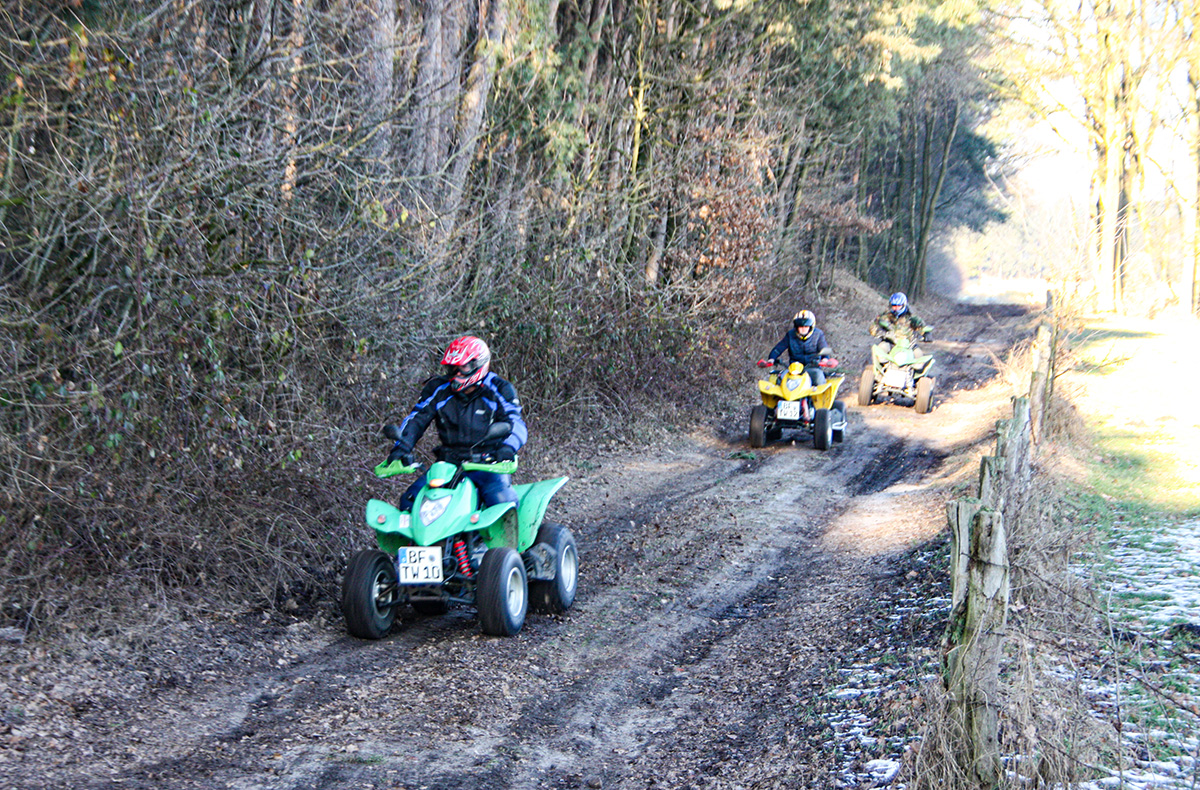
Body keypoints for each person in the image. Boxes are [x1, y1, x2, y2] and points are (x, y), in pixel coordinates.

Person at [386, 336, 527, 509]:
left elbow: (516, 423)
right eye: (452, 368)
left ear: (478, 364)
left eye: (463, 367)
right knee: (409, 502)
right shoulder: (438, 388)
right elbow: (417, 419)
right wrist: (401, 448)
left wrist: (507, 447)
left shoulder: (499, 388)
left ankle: (509, 536)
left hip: (488, 465)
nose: (457, 373)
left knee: (503, 504)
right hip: (447, 465)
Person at [766, 309, 834, 386]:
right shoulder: (790, 335)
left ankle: (822, 398)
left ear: (811, 326)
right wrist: (771, 359)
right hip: (794, 369)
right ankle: (779, 398)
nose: (803, 328)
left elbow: (824, 350)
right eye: (800, 326)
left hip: (812, 367)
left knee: (819, 376)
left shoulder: (818, 334)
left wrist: (825, 360)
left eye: (806, 326)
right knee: (780, 379)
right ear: (796, 327)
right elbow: (778, 349)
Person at [869, 292, 932, 373]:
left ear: (904, 305)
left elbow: (922, 327)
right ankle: (879, 373)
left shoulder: (911, 317)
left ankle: (916, 380)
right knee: (880, 353)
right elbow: (873, 327)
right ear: (890, 305)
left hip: (909, 345)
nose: (896, 308)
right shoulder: (885, 316)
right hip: (890, 343)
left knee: (919, 362)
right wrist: (883, 334)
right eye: (894, 306)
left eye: (899, 306)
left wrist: (926, 334)